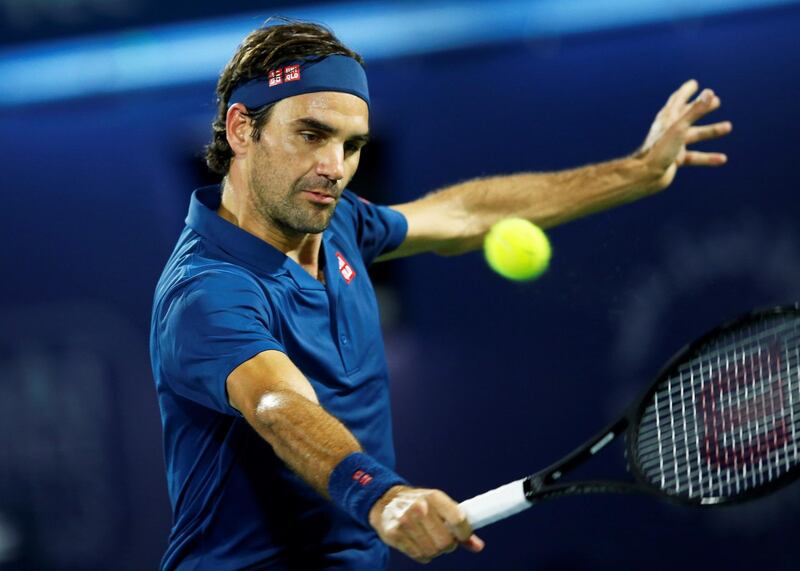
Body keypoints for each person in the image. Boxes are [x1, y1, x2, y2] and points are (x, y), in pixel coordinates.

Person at [149, 19, 731, 570]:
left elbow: (464, 213)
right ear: (241, 129)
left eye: (352, 146)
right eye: (311, 134)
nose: (335, 167)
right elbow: (278, 406)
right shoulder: (207, 291)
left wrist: (636, 172)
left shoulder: (339, 224)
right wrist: (383, 497)